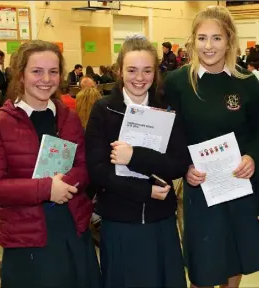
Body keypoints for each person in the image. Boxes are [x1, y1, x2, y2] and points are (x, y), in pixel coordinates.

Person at [0, 40, 102, 288]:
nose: (46, 79)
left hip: (73, 228)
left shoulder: (69, 117)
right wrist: (47, 189)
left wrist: (66, 184)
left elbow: (83, 166)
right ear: (20, 75)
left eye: (53, 71)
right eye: (37, 71)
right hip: (28, 238)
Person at [164, 6, 259, 287]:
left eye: (216, 38)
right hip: (200, 186)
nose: (208, 46)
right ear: (193, 41)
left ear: (229, 40)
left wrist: (252, 157)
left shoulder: (247, 83)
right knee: (203, 260)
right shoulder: (177, 83)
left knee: (233, 256)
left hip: (237, 183)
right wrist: (184, 167)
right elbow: (171, 136)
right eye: (202, 38)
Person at [85, 35, 188, 287]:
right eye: (131, 70)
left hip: (160, 219)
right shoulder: (103, 109)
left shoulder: (166, 108)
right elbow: (97, 171)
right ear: (119, 70)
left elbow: (177, 164)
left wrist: (134, 157)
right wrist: (145, 190)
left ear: (156, 72)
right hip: (120, 219)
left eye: (147, 70)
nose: (139, 78)